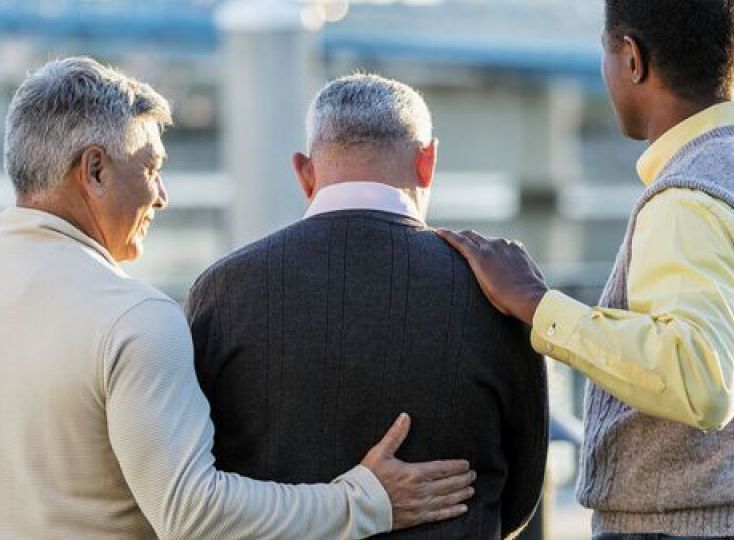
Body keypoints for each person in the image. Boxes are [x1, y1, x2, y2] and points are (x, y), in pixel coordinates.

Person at [0, 57, 477, 539]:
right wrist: (365, 501)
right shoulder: (132, 319)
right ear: (94, 170)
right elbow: (193, 516)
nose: (162, 195)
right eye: (152, 168)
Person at [439, 0, 734, 538]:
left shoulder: (693, 194)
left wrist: (537, 305)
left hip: (699, 529)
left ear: (632, 59)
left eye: (606, 55)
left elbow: (698, 380)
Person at [185, 73, 549, 539]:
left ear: (304, 172)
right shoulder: (497, 289)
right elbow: (521, 495)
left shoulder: (222, 289)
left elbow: (201, 484)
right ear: (427, 163)